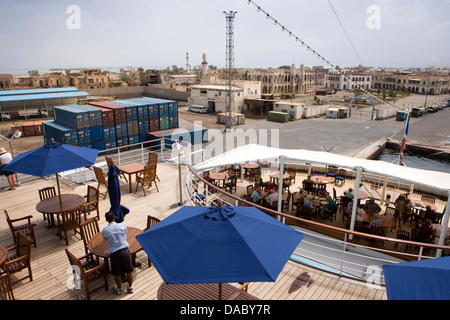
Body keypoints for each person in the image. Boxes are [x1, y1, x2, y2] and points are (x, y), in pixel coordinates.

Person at [102, 211, 134, 294]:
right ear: (114, 217)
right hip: (124, 250)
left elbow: (105, 239)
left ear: (106, 220)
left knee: (117, 273)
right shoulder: (122, 225)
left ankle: (119, 289)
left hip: (115, 253)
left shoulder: (105, 230)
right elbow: (125, 232)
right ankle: (130, 287)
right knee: (129, 271)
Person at [106, 156, 130, 223]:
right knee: (116, 202)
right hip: (116, 203)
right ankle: (119, 215)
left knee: (115, 202)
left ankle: (120, 213)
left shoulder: (111, 174)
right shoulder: (113, 170)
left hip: (114, 201)